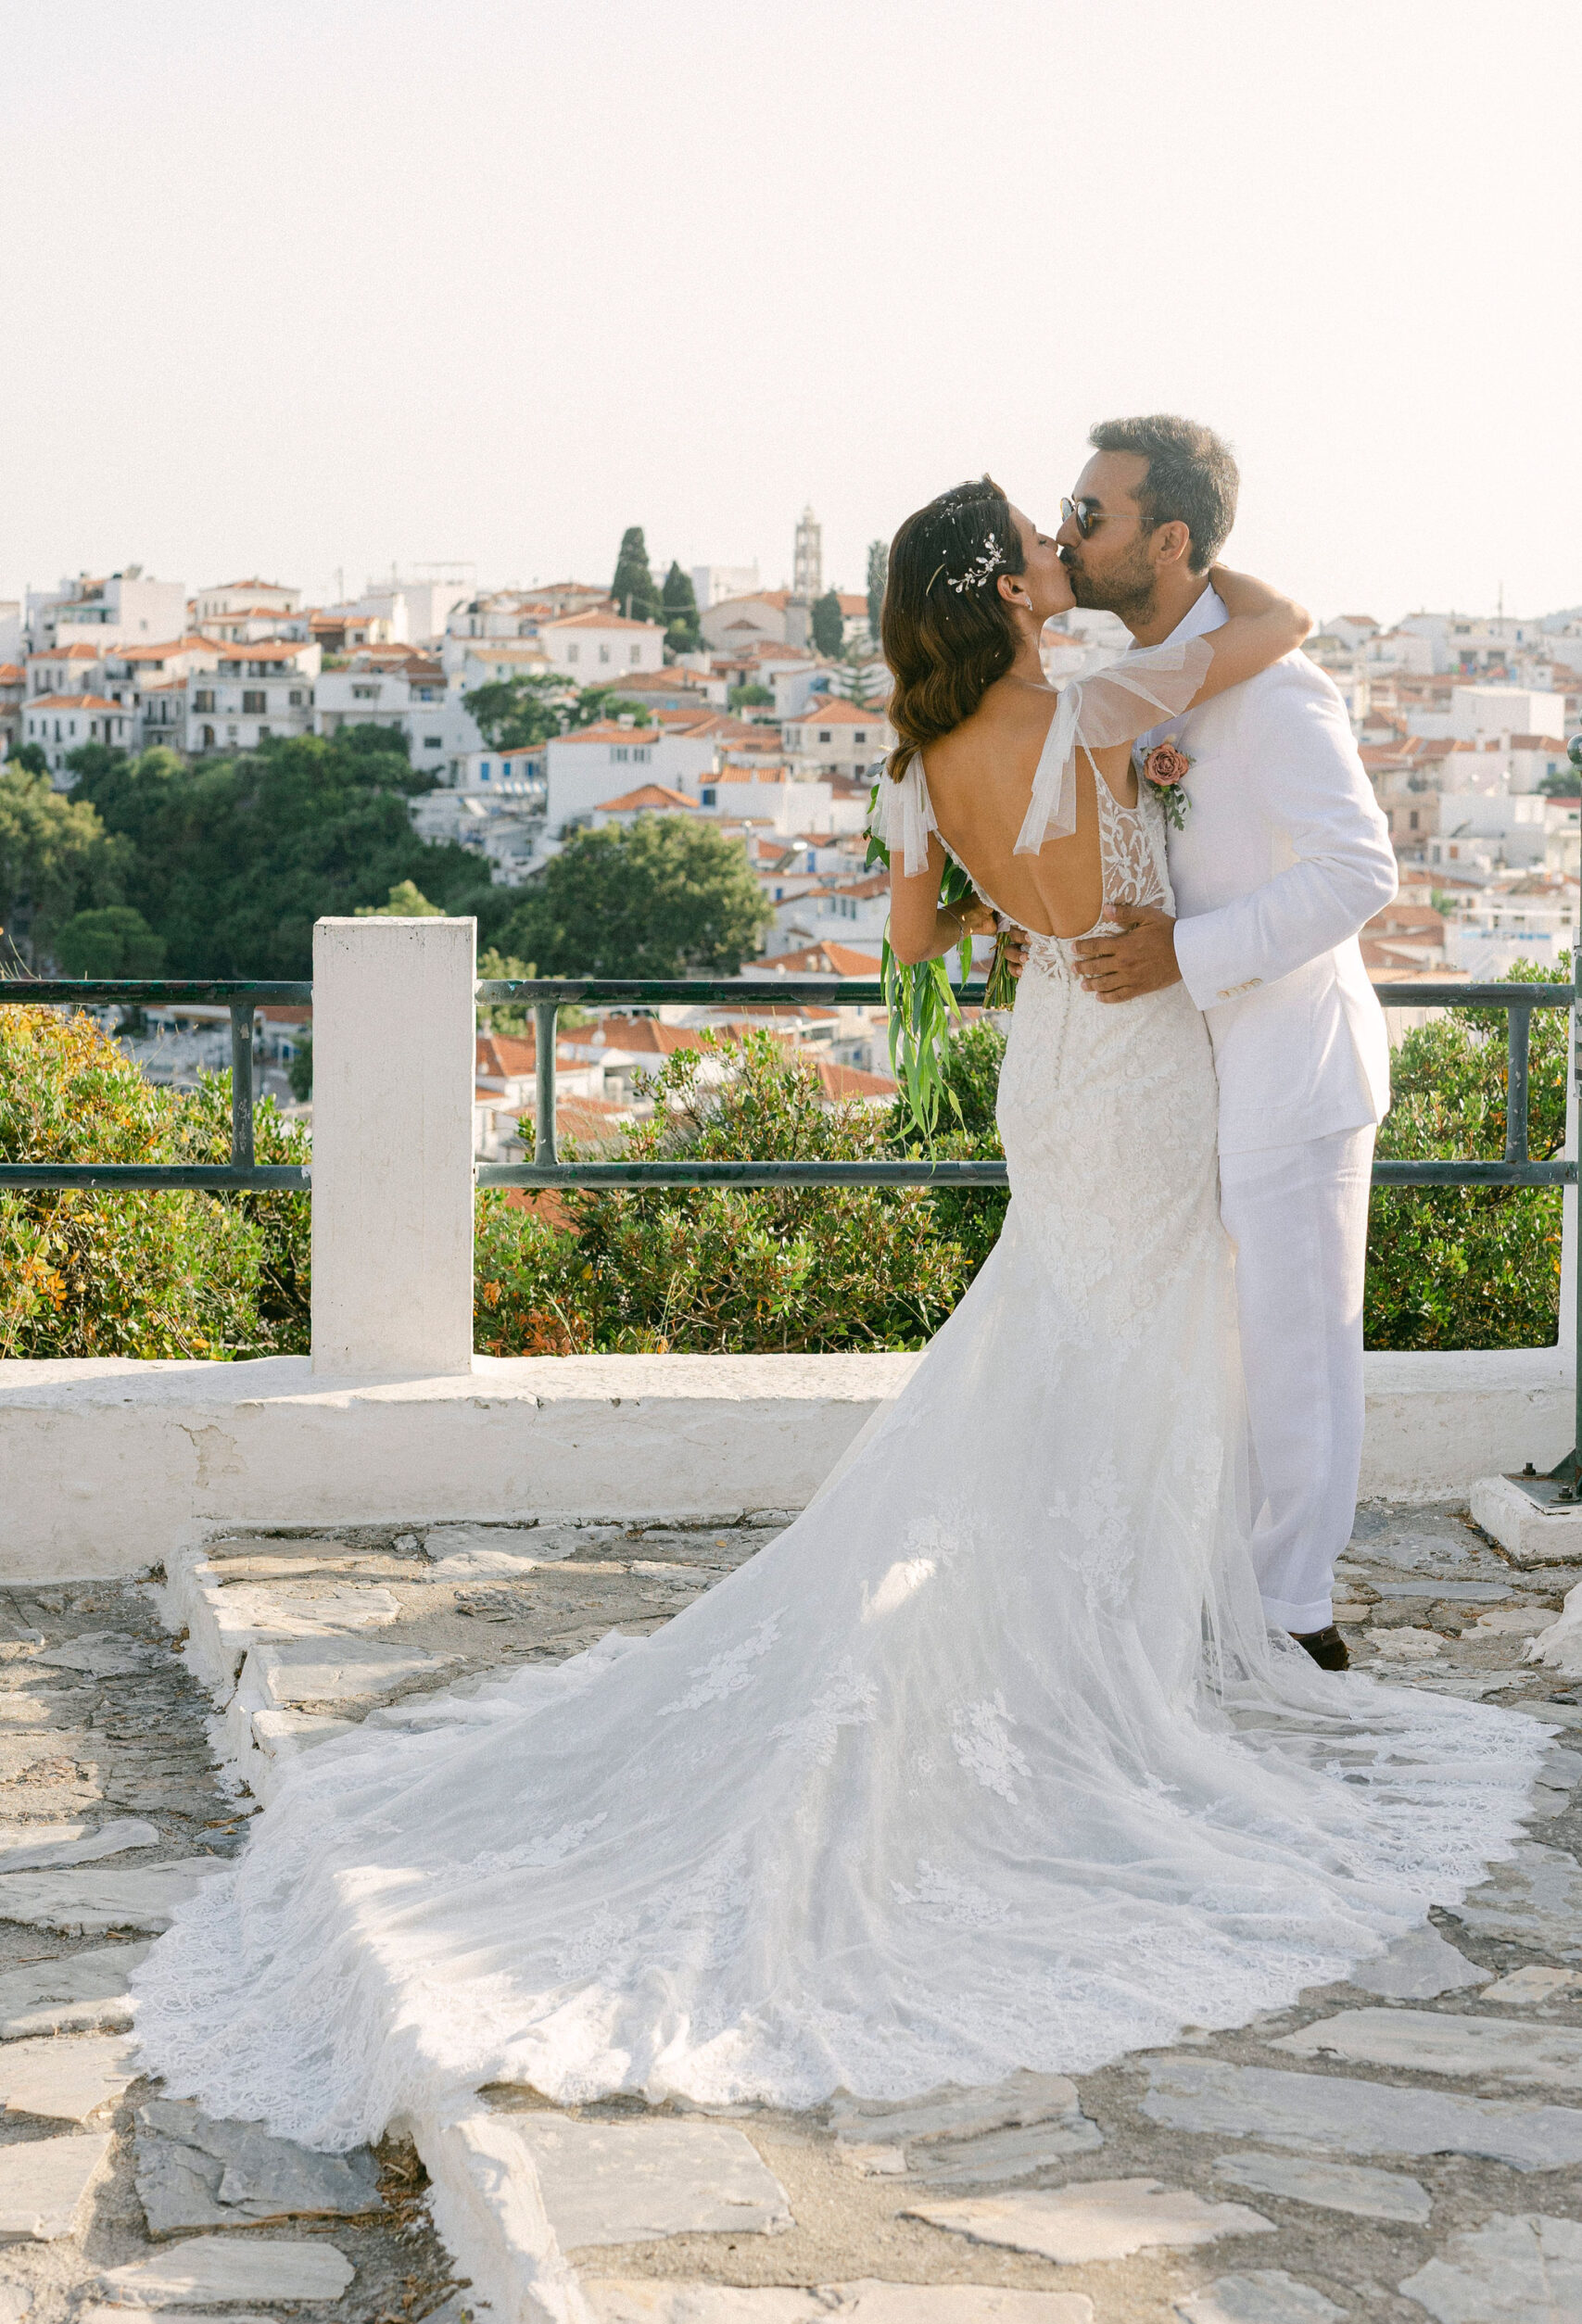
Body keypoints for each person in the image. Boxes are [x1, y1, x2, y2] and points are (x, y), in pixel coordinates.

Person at [133, 480, 1543, 2155]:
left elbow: (917, 930)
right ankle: (1136, 1641)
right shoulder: (1095, 703)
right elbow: (1278, 630)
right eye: (1036, 543)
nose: (1053, 555)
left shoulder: (920, 752)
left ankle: (1107, 1622)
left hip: (1052, 1063)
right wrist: (1178, 559)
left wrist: (1026, 897)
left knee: (1068, 1338)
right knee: (1148, 1349)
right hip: (1146, 1050)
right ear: (1002, 591)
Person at [1047, 416, 1398, 1671]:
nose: (1070, 532)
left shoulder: (1275, 688)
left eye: (1095, 514)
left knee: (1298, 1344)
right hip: (1195, 1065)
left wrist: (1182, 956)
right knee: (1226, 1344)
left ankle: (1299, 1615)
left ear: (1173, 538)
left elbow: (1365, 871)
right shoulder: (1148, 675)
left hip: (1294, 1061)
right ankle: (1227, 1590)